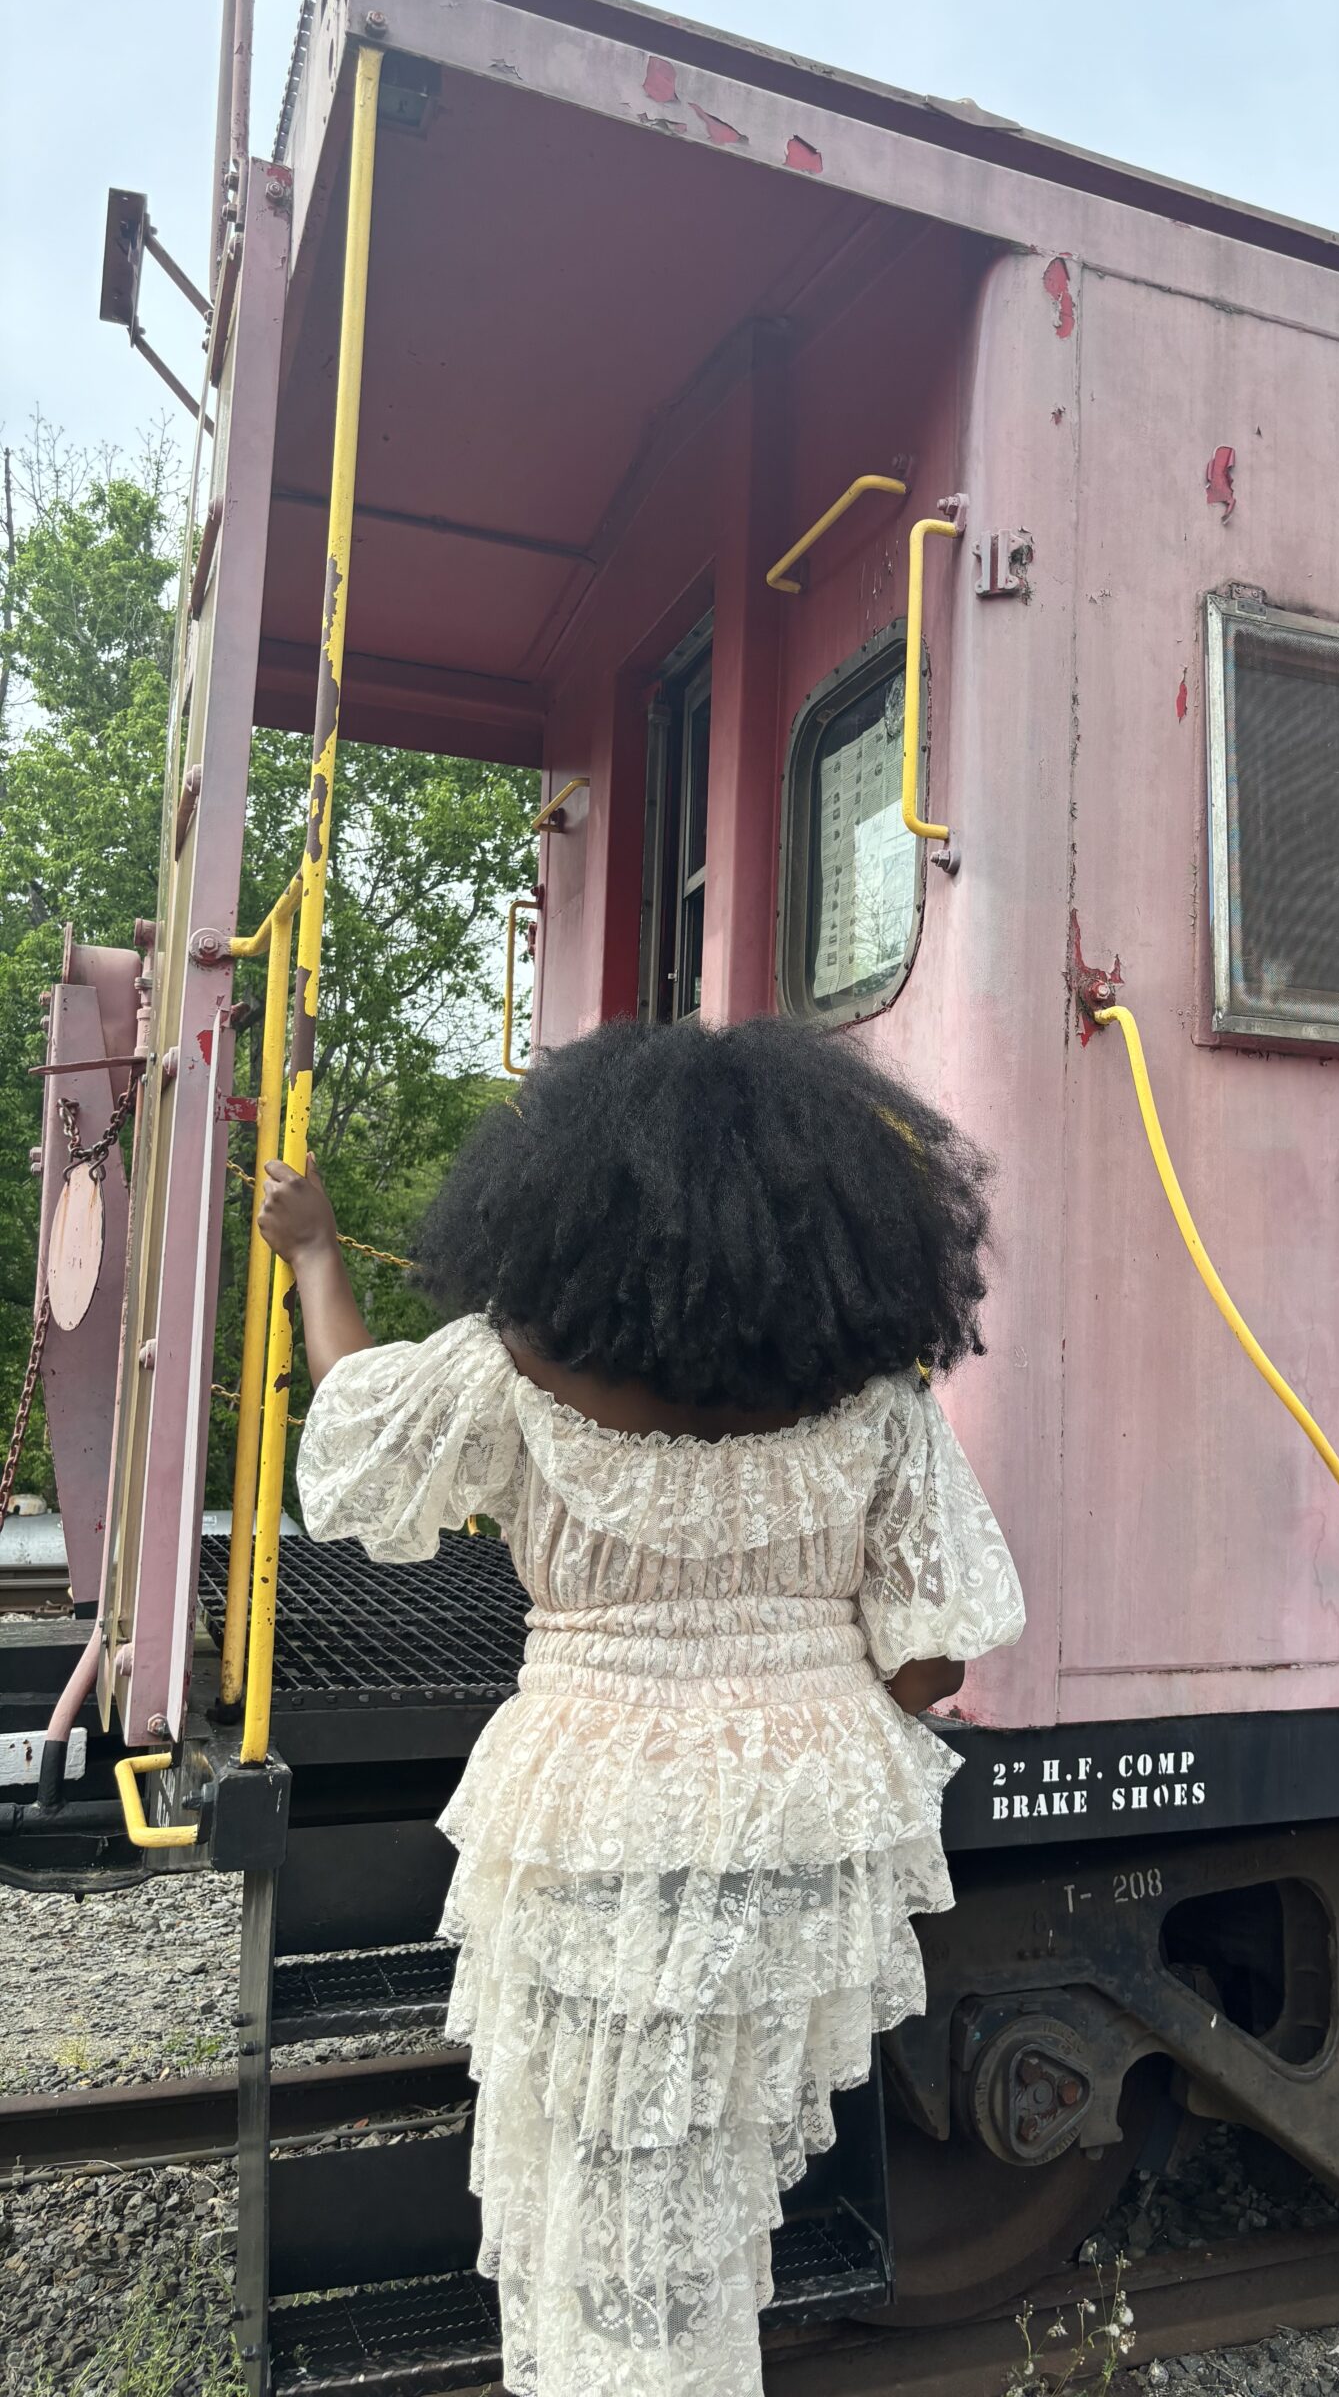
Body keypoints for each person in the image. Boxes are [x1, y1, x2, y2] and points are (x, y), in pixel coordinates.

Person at [258, 1015, 1025, 2397]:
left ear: (566, 1210)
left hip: (587, 1813)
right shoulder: (880, 1410)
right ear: (839, 1227)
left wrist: (317, 1252)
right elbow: (931, 1667)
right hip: (795, 1824)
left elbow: (364, 1441)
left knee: (591, 2187)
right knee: (709, 2198)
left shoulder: (516, 1373)